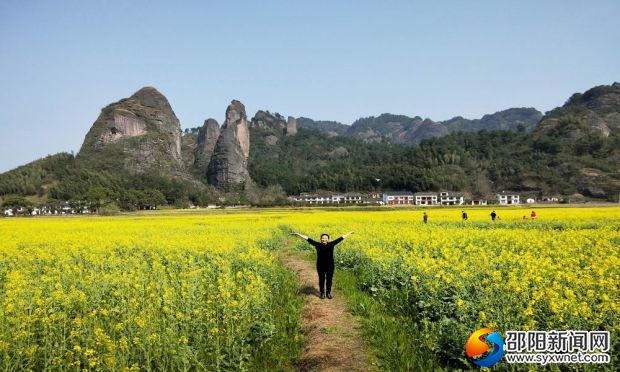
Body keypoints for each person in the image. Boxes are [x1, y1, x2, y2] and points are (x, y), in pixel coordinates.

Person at [290, 231, 354, 299]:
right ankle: (322, 293)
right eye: (323, 238)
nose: (324, 239)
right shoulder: (317, 244)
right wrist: (298, 234)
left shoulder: (331, 244)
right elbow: (308, 239)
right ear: (320, 239)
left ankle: (328, 293)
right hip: (320, 265)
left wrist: (349, 233)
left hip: (330, 265)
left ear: (328, 239)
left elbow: (341, 238)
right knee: (321, 279)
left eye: (326, 238)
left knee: (329, 280)